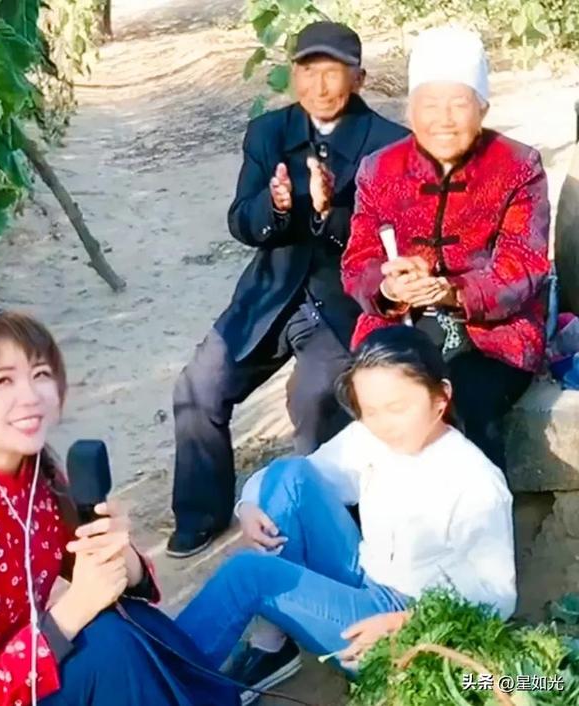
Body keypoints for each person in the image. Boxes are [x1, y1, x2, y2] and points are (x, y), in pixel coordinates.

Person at [169, 21, 408, 558]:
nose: (318, 86)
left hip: (339, 300)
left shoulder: (389, 144)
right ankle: (202, 512)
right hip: (271, 292)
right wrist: (274, 208)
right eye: (307, 70)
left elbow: (390, 237)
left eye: (333, 73)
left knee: (318, 397)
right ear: (292, 74)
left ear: (359, 78)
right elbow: (241, 220)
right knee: (199, 384)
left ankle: (325, 523)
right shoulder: (268, 133)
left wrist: (329, 213)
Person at [175, 326, 517, 702]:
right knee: (289, 474)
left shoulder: (474, 481)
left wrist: (406, 621)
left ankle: (161, 680)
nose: (385, 424)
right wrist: (248, 505)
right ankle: (271, 645)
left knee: (249, 575)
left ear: (441, 397)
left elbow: (499, 597)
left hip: (407, 626)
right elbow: (300, 475)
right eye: (370, 411)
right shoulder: (371, 438)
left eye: (398, 408)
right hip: (366, 576)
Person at [0, 309, 239, 706]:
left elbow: (114, 584)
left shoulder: (39, 477)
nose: (30, 396)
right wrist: (74, 608)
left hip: (30, 669)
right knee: (108, 646)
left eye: (40, 374)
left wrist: (120, 558)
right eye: (2, 381)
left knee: (124, 620)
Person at [341, 26, 551, 470]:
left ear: (483, 108)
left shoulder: (518, 166)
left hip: (493, 334)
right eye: (430, 105)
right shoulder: (379, 169)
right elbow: (358, 261)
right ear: (410, 110)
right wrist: (389, 288)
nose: (445, 119)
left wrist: (455, 291)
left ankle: (482, 510)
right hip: (400, 324)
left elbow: (523, 265)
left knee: (467, 403)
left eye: (459, 103)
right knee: (364, 399)